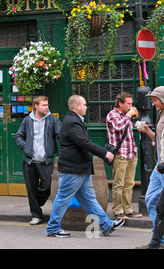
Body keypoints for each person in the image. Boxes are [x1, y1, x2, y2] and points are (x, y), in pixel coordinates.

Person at [45, 95, 124, 238]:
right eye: (85, 104)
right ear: (77, 106)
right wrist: (104, 153)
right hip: (73, 169)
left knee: (89, 200)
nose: (86, 107)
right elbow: (83, 143)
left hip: (80, 169)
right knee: (63, 198)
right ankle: (53, 228)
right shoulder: (72, 122)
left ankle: (106, 225)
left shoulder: (74, 120)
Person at [15, 95, 61, 225]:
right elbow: (18, 136)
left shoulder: (53, 120)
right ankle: (36, 215)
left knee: (47, 186)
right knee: (31, 188)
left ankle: (37, 202)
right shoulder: (27, 121)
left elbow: (60, 134)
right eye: (44, 105)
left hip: (46, 161)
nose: (47, 107)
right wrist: (26, 147)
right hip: (29, 161)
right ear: (36, 106)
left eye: (47, 105)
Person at [136, 86, 164, 248]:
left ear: (163, 99)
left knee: (162, 205)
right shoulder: (162, 114)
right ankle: (161, 240)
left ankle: (159, 241)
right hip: (159, 164)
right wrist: (148, 131)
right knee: (151, 200)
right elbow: (159, 139)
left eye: (155, 100)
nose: (153, 103)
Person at [105, 92, 142, 220]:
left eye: (132, 103)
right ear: (120, 104)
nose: (131, 106)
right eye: (129, 103)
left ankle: (128, 209)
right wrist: (129, 115)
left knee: (129, 183)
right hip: (120, 154)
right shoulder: (112, 115)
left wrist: (134, 117)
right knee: (119, 184)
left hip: (131, 152)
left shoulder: (127, 115)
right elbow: (118, 127)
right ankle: (117, 210)